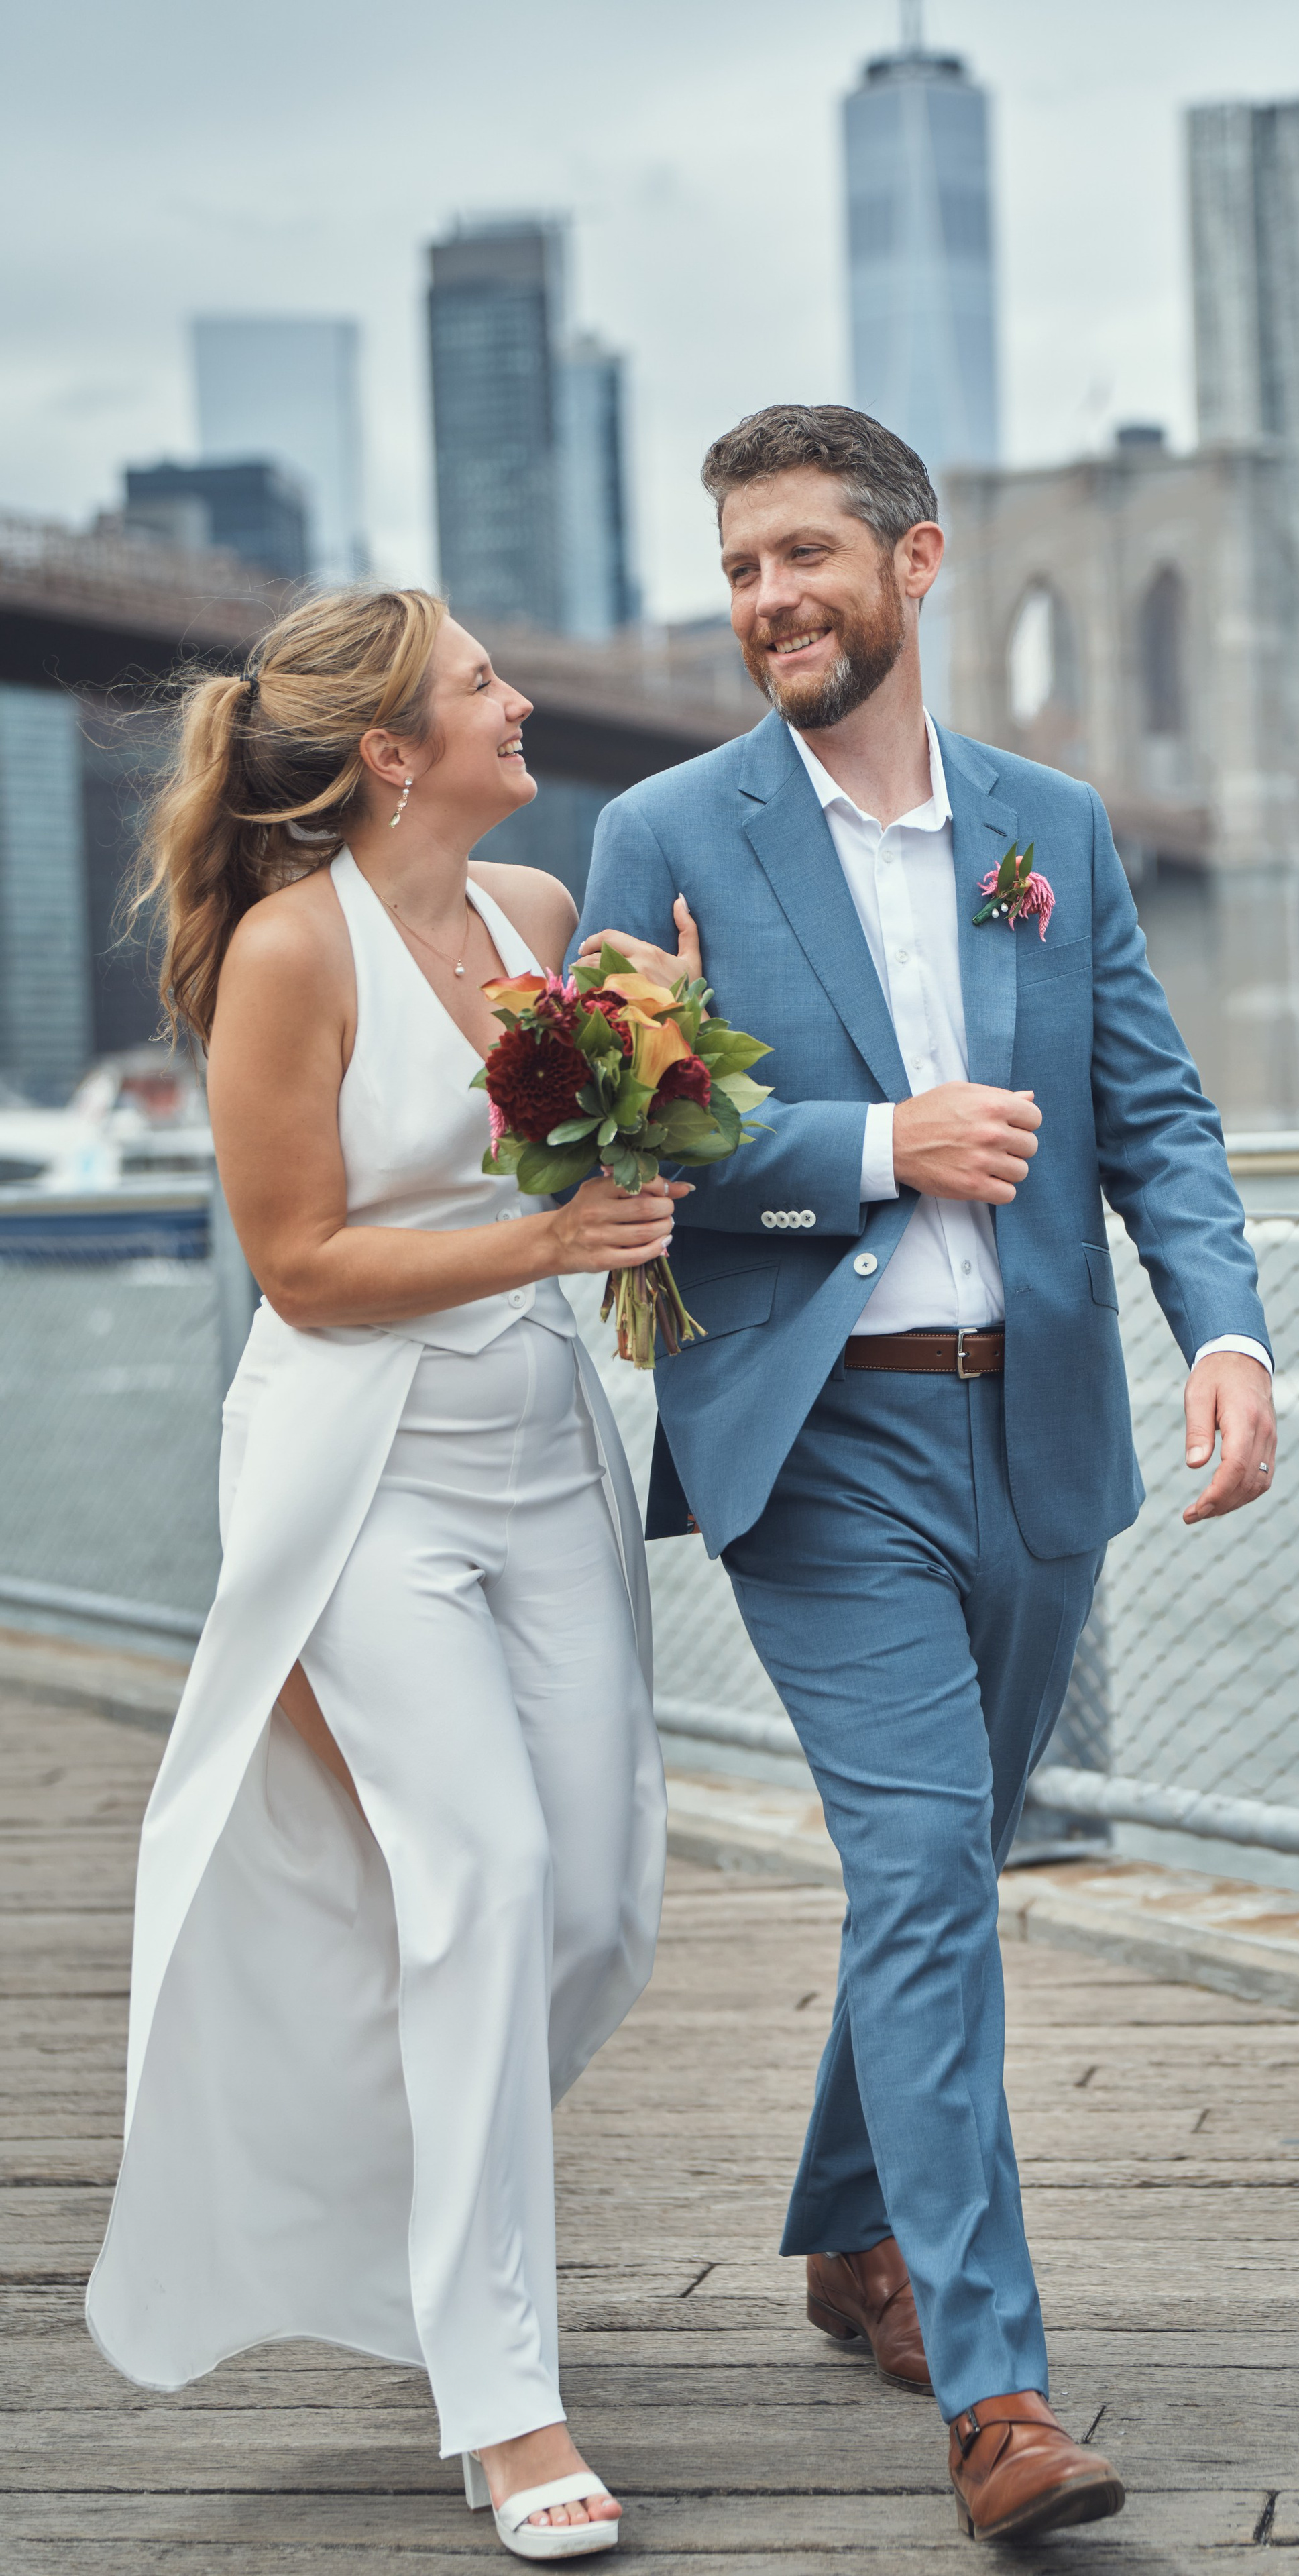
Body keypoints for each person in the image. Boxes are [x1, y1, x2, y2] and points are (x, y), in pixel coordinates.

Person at [578, 405, 1278, 2546]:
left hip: (1036, 1425)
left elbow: (1152, 1110)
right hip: (821, 1437)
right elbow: (624, 1147)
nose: (771, 599)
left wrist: (1229, 1332)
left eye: (806, 555)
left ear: (919, 563)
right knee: (914, 1874)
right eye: (740, 570)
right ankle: (999, 2394)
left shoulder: (1046, 824)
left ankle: (844, 2228)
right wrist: (876, 1146)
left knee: (942, 1870)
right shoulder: (668, 835)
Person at [84, 586, 675, 2563]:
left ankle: (385, 2194)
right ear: (393, 755)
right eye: (486, 683)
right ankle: (504, 2398)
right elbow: (309, 1268)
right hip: (368, 1486)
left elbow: (610, 1151)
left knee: (591, 1907)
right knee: (484, 1882)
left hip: (545, 1462)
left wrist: (660, 1052)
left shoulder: (528, 911)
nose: (527, 699)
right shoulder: (285, 952)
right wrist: (551, 1240)